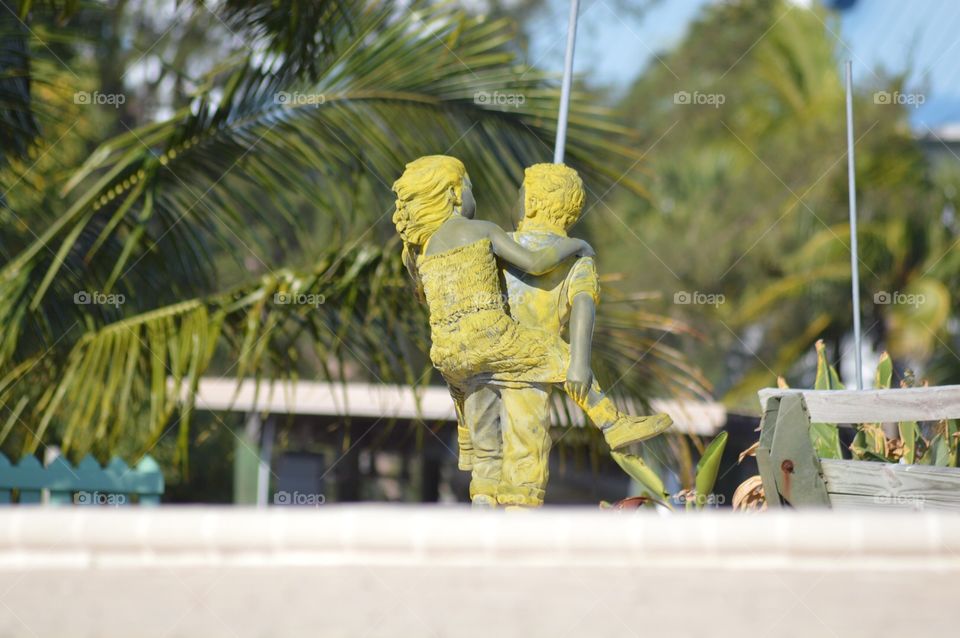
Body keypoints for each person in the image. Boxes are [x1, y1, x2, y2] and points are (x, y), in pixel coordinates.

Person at [391, 155, 672, 504]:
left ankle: (471, 458)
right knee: (561, 356)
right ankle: (613, 424)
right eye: (470, 189)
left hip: (451, 355)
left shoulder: (422, 250)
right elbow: (538, 264)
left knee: (485, 455)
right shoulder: (486, 231)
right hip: (493, 342)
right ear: (455, 194)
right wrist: (578, 246)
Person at [464, 163, 617, 507]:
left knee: (485, 456)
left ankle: (483, 522)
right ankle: (516, 525)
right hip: (531, 373)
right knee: (525, 456)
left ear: (531, 202)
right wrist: (579, 361)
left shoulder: (500, 243)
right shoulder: (577, 257)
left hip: (486, 364)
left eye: (520, 193)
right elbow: (583, 305)